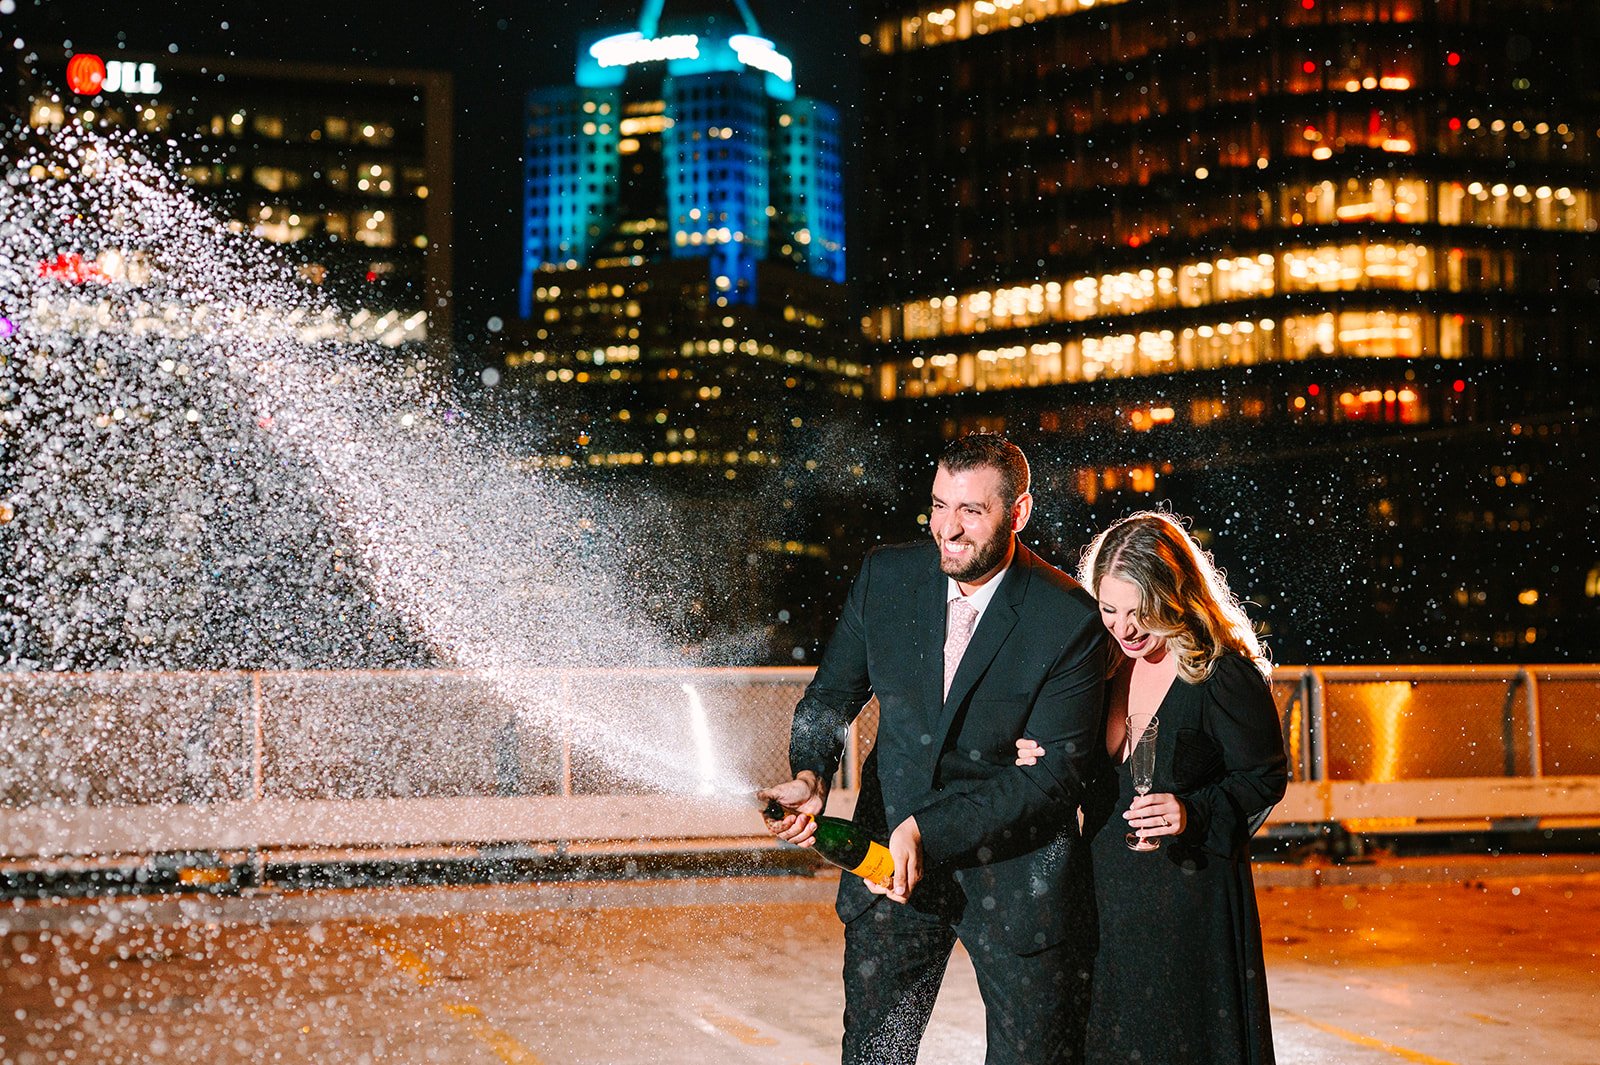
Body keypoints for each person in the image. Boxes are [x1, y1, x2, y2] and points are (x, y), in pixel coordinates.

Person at [760, 433, 1109, 1065]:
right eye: (939, 505)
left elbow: (1052, 782)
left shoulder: (1068, 619)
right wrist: (811, 772)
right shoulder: (886, 578)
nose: (946, 528)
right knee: (877, 1058)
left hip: (1015, 875)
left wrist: (926, 829)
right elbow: (830, 696)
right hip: (888, 873)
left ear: (1018, 513)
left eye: (970, 511)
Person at [1016, 511, 1288, 1065]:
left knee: (1180, 1045)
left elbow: (1264, 777)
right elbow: (1072, 767)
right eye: (1109, 611)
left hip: (1189, 900)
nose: (1125, 629)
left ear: (1176, 596)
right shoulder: (1097, 669)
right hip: (1104, 892)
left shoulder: (1221, 673)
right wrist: (1035, 751)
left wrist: (1194, 812)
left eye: (1141, 613)